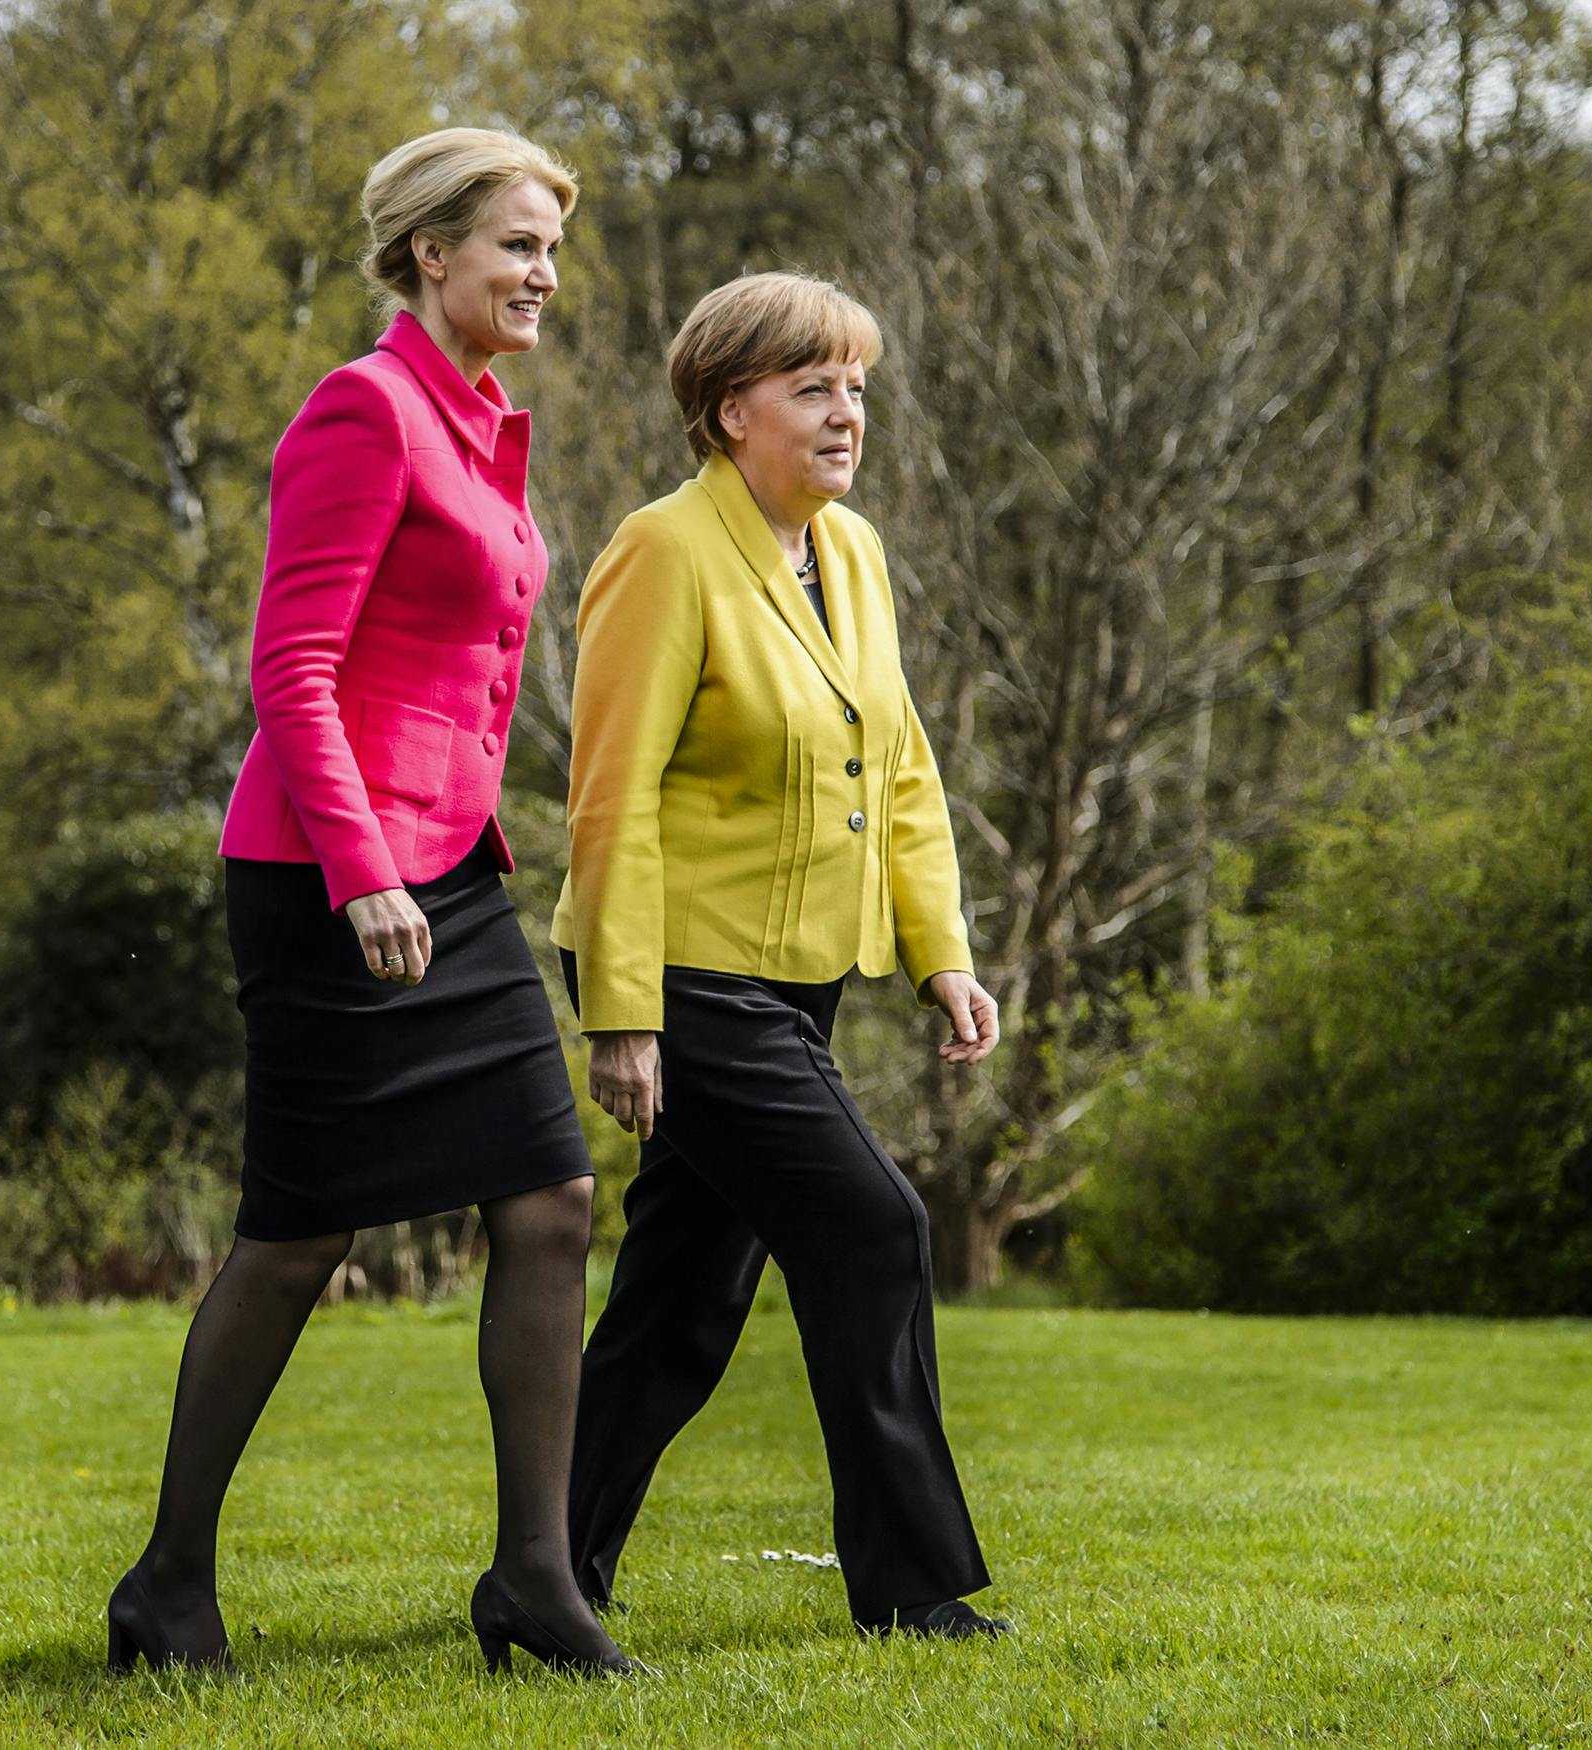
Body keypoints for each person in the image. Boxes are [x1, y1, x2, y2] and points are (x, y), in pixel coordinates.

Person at [106, 127, 638, 1679]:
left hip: (450, 875)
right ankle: (168, 1582)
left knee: (550, 1201)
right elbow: (294, 669)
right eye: (517, 245)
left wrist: (450, 848)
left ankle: (535, 1582)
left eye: (551, 246)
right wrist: (363, 874)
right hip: (327, 877)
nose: (544, 272)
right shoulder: (366, 409)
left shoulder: (477, 424)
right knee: (299, 1231)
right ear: (431, 255)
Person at [551, 270, 1009, 1640]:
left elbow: (905, 765)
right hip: (686, 977)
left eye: (855, 386)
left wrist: (945, 953)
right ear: (728, 405)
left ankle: (545, 1570)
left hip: (789, 980)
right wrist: (625, 1015)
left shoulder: (851, 552)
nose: (845, 412)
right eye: (814, 387)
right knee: (876, 1227)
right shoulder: (663, 551)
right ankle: (914, 1588)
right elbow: (610, 795)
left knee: (682, 1302)